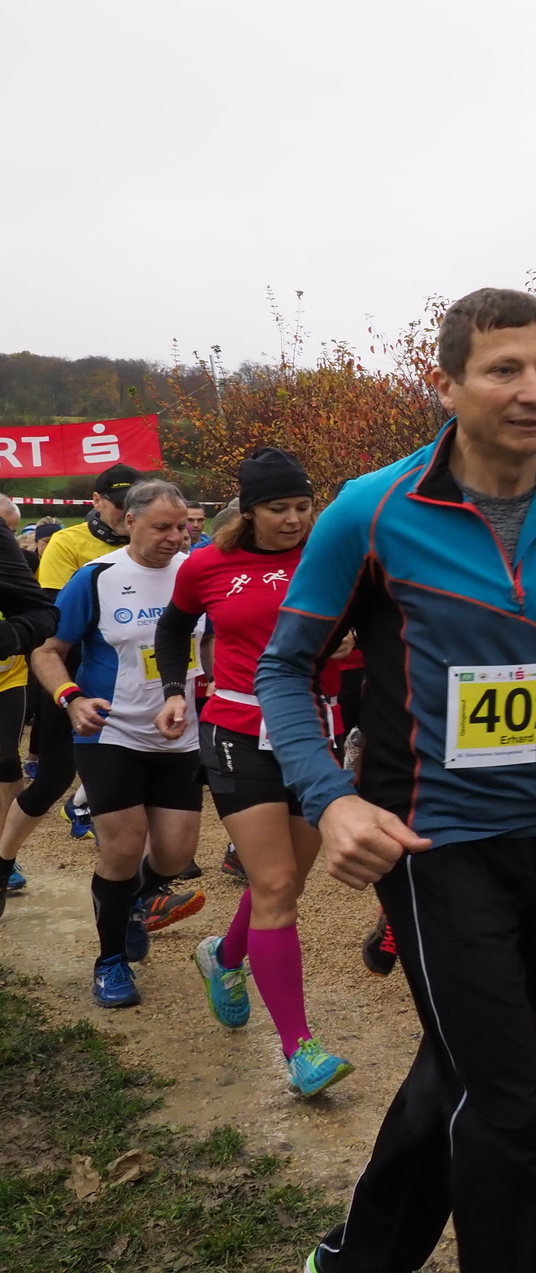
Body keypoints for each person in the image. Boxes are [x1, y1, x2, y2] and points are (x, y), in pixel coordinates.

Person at [254, 288, 536, 1273]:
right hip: (434, 843)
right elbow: (284, 668)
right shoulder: (371, 512)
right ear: (446, 384)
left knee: (461, 1065)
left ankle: (360, 1257)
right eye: (505, 369)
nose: (535, 391)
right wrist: (332, 798)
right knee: (512, 1099)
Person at [153, 447, 355, 1097]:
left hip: (313, 730)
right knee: (273, 883)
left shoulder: (334, 558)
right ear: (248, 509)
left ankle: (224, 956)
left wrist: (354, 644)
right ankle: (301, 1051)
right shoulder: (207, 565)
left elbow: (381, 627)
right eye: (277, 508)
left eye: (302, 506)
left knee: (286, 883)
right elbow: (173, 629)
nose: (293, 519)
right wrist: (174, 691)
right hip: (237, 727)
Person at [22, 481, 205, 1007]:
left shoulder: (195, 573)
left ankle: (130, 905)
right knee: (122, 849)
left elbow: (212, 642)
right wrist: (70, 698)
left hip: (180, 734)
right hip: (111, 731)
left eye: (182, 526)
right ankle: (111, 962)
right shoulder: (98, 577)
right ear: (130, 521)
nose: (176, 536)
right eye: (163, 527)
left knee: (175, 855)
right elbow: (47, 649)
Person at [26, 463, 143, 845]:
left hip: (133, 677)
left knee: (135, 775)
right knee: (54, 778)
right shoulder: (67, 542)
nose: (127, 512)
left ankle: (95, 822)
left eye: (135, 503)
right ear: (96, 501)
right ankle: (5, 855)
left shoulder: (157, 542)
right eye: (119, 503)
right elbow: (55, 621)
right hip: (72, 669)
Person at [0, 516, 58, 902]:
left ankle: (4, 856)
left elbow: (41, 613)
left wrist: (12, 635)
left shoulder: (13, 558)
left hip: (8, 677)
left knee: (6, 759)